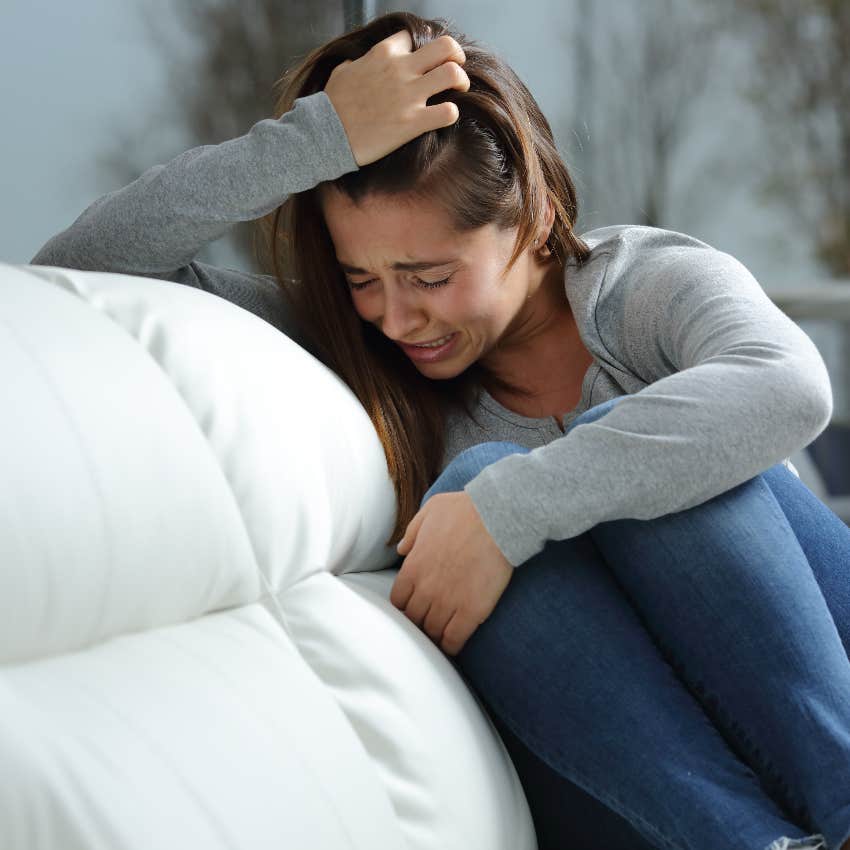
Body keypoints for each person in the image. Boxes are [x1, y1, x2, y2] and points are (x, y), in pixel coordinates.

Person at [31, 10, 850, 850]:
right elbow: (75, 268)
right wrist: (315, 142)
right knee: (472, 482)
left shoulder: (641, 288)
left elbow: (786, 385)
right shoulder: (349, 349)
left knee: (612, 454)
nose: (395, 316)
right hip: (648, 796)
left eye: (429, 276)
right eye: (362, 279)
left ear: (529, 217)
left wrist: (510, 511)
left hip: (820, 702)